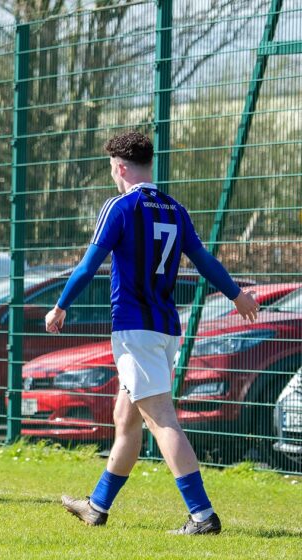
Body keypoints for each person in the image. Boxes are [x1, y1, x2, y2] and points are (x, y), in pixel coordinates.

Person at [47, 132, 259, 535]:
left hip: (134, 330)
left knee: (162, 420)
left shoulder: (120, 206)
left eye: (112, 168)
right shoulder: (175, 209)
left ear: (120, 167)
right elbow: (203, 261)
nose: (112, 175)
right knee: (126, 420)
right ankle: (97, 506)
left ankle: (202, 515)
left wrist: (60, 306)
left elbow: (89, 265)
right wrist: (236, 296)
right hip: (165, 330)